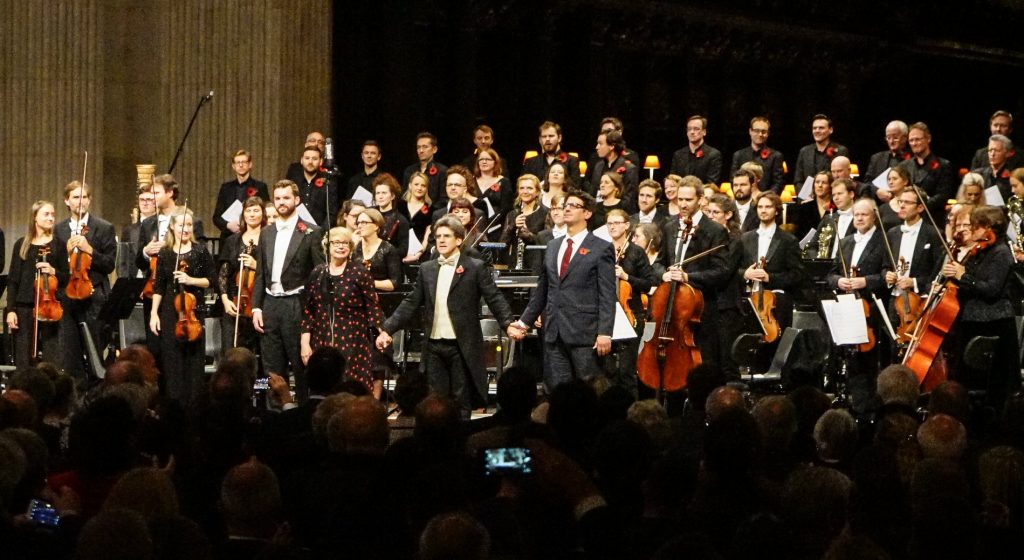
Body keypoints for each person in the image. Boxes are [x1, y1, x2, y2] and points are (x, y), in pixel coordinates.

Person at [378, 216, 515, 418]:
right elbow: (411, 302)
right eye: (438, 236)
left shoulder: (474, 267)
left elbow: (494, 298)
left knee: (461, 400)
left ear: (459, 240)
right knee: (435, 401)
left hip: (461, 344)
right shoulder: (427, 269)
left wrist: (508, 324)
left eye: (446, 236)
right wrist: (387, 329)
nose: (441, 240)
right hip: (433, 345)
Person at [508, 191, 616, 392]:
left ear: (587, 214)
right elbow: (543, 288)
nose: (566, 208)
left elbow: (608, 294)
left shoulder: (601, 247)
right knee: (556, 391)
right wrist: (524, 322)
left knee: (588, 389)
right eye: (566, 204)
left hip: (585, 333)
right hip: (554, 331)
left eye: (574, 205)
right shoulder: (553, 245)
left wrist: (605, 332)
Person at [252, 180, 325, 402]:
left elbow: (319, 275)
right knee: (270, 367)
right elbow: (260, 274)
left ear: (296, 200)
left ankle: (302, 413)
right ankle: (273, 416)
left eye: (286, 198)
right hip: (270, 305)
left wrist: (313, 314)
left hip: (297, 304)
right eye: (278, 198)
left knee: (300, 365)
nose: (281, 202)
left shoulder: (311, 232)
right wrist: (256, 306)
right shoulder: (266, 232)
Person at [941, 206, 1021, 409]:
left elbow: (991, 289)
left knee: (992, 386)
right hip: (973, 322)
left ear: (989, 228)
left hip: (993, 325)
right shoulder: (980, 251)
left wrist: (963, 276)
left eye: (976, 226)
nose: (972, 231)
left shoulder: (1001, 253)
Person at [717, 192, 804, 376]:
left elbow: (797, 275)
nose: (763, 211)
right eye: (760, 207)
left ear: (777, 211)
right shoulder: (745, 238)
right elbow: (731, 270)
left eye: (768, 207)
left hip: (775, 305)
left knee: (773, 349)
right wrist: (745, 274)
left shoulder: (788, 240)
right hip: (748, 302)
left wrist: (769, 278)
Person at [301, 227, 385, 392]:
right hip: (322, 337)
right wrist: (305, 343)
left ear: (351, 247)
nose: (341, 246)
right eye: (336, 242)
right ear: (328, 246)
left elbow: (372, 307)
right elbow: (308, 311)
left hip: (354, 340)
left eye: (345, 243)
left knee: (351, 386)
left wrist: (382, 332)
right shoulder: (318, 272)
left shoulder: (360, 272)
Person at [148, 209, 215, 404]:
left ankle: (194, 406)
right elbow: (159, 286)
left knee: (194, 363)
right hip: (170, 310)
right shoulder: (166, 253)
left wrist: (190, 279)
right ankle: (174, 404)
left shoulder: (200, 250)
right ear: (172, 227)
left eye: (188, 225)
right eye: (181, 225)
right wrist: (154, 313)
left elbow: (211, 281)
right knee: (172, 361)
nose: (185, 229)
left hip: (193, 312)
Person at [54, 180, 117, 383]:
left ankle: (97, 392)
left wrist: (90, 250)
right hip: (67, 294)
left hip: (94, 293)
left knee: (95, 347)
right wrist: (65, 252)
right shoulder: (59, 229)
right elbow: (55, 265)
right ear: (67, 201)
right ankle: (76, 395)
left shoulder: (104, 227)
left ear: (89, 200)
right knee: (69, 351)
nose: (80, 201)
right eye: (75, 197)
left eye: (84, 197)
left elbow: (109, 264)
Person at [827, 199, 886, 411]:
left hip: (870, 308)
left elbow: (887, 274)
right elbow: (831, 274)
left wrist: (865, 282)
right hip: (847, 307)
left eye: (864, 214)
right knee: (846, 357)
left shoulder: (883, 241)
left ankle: (866, 406)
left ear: (873, 217)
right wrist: (838, 281)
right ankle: (848, 402)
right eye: (856, 215)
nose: (859, 218)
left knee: (867, 361)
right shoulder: (846, 242)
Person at [881, 188, 945, 357]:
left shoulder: (933, 234)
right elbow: (885, 265)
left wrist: (914, 282)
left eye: (907, 203)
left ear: (920, 208)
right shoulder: (892, 233)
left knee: (916, 349)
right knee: (893, 347)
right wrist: (887, 275)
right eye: (901, 202)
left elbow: (938, 271)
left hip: (919, 301)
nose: (901, 206)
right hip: (895, 300)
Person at [5, 201, 68, 369]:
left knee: (51, 355)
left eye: (53, 214)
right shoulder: (22, 244)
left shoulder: (58, 245)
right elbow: (13, 280)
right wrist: (11, 310)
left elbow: (67, 278)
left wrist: (53, 271)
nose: (51, 218)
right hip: (24, 306)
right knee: (23, 356)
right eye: (46, 214)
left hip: (49, 306)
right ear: (35, 218)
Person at [604, 209, 658, 396]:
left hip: (631, 315)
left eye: (617, 223)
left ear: (627, 225)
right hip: (606, 314)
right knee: (607, 370)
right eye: (609, 223)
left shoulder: (636, 253)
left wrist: (627, 277)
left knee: (627, 370)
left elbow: (649, 283)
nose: (612, 226)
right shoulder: (603, 249)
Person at [352, 208, 404, 398]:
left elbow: (394, 283)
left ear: (376, 226)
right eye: (358, 223)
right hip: (357, 308)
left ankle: (374, 400)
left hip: (381, 308)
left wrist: (368, 283)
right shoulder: (356, 248)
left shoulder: (388, 249)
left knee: (377, 359)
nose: (360, 226)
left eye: (364, 222)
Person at [218, 196, 266, 357]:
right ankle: (235, 383)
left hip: (259, 305)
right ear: (243, 214)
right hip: (234, 303)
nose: (252, 214)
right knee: (231, 353)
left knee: (259, 355)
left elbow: (273, 271)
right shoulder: (232, 241)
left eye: (256, 210)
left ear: (263, 214)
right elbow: (224, 273)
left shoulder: (269, 239)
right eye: (248, 211)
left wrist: (255, 265)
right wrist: (225, 300)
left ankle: (261, 384)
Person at [897, 122, 956, 222]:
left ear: (928, 139)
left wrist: (919, 206)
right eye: (911, 140)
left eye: (917, 139)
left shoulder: (943, 165)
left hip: (933, 219)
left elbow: (943, 195)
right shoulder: (903, 166)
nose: (914, 143)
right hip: (908, 219)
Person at [211, 149, 269, 242]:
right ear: (233, 166)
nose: (241, 165)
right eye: (238, 162)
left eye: (244, 162)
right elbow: (216, 217)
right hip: (228, 237)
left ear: (250, 164)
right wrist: (228, 225)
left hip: (252, 236)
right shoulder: (226, 188)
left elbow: (266, 213)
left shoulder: (260, 187)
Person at [500, 174, 549, 269]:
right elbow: (503, 243)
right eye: (522, 188)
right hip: (515, 265)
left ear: (538, 191)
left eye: (529, 188)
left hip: (536, 266)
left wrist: (528, 235)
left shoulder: (546, 213)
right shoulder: (512, 214)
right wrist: (513, 226)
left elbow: (547, 244)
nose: (525, 191)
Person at [730, 116, 785, 193]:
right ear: (750, 131)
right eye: (756, 130)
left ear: (768, 133)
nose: (760, 134)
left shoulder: (776, 156)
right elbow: (733, 180)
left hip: (766, 201)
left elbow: (778, 182)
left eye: (763, 131)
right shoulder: (739, 155)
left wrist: (765, 198)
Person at [805, 178, 857, 259]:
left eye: (839, 193)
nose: (836, 198)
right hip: (827, 267)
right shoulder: (828, 219)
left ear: (851, 194)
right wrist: (819, 261)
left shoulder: (861, 218)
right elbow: (812, 247)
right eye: (833, 195)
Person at [794, 114, 850, 185]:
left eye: (821, 128)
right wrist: (806, 196)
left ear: (830, 130)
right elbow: (798, 180)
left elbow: (842, 179)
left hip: (832, 194)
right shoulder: (804, 151)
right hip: (808, 195)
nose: (817, 131)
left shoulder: (841, 151)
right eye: (814, 128)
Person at [589, 130, 639, 208]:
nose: (596, 147)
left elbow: (628, 200)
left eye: (600, 144)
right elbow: (593, 192)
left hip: (618, 213)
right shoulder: (598, 166)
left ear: (612, 146)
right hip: (599, 210)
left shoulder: (629, 169)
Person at [294, 145, 340, 229]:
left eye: (314, 159)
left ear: (321, 161)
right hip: (296, 231)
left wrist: (320, 233)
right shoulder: (294, 183)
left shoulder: (328, 183)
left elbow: (332, 213)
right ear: (301, 160)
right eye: (307, 158)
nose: (310, 162)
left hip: (320, 232)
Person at [522, 121, 581, 185]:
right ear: (540, 140)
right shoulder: (530, 162)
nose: (547, 139)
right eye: (544, 136)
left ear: (559, 138)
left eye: (551, 136)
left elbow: (576, 187)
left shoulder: (571, 161)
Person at [118, 184, 157, 279]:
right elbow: (123, 261)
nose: (145, 203)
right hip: (133, 281)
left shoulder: (160, 226)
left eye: (149, 199)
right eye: (142, 200)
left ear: (156, 202)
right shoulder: (129, 230)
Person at [473, 147, 514, 236]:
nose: (484, 162)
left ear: (495, 162)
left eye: (488, 159)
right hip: (474, 226)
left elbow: (506, 208)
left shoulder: (504, 182)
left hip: (497, 227)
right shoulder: (470, 182)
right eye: (481, 159)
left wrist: (492, 223)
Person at [669, 115, 722, 183]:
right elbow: (673, 180)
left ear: (704, 132)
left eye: (696, 129)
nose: (692, 132)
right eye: (689, 129)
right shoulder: (678, 155)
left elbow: (711, 184)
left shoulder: (713, 155)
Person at [402, 132, 449, 206]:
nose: (421, 150)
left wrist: (427, 211)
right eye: (418, 147)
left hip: (434, 214)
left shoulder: (442, 171)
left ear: (434, 149)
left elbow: (443, 199)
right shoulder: (410, 170)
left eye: (425, 147)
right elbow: (404, 196)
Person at [371, 173, 410, 257]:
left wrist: (385, 254)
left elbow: (403, 250)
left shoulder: (401, 220)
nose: (380, 196)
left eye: (384, 193)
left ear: (392, 196)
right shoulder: (369, 214)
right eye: (378, 193)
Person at [864, 120, 912, 188]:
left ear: (904, 138)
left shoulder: (913, 158)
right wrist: (877, 191)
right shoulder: (876, 158)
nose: (891, 141)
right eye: (888, 138)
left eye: (895, 138)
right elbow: (867, 183)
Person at [401, 171, 433, 263]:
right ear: (410, 185)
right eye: (416, 184)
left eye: (423, 185)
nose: (419, 188)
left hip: (420, 254)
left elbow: (428, 234)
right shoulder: (400, 205)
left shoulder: (430, 209)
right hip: (400, 252)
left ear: (427, 188)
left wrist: (419, 253)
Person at [972, 134, 1014, 200]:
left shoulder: (1013, 177)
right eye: (990, 150)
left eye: (997, 150)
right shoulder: (977, 175)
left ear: (1007, 153)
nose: (992, 154)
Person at [794, 171, 833, 240]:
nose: (820, 185)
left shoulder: (835, 207)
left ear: (830, 186)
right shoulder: (804, 207)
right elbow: (798, 233)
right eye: (817, 182)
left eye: (824, 183)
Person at [877, 166, 912, 232]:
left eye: (894, 179)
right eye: (889, 179)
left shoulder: (914, 204)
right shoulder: (882, 209)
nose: (890, 182)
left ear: (905, 181)